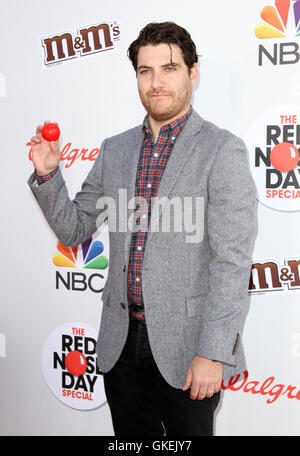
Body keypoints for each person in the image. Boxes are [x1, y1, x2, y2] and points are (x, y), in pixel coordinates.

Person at [28, 22, 257, 436]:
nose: (156, 82)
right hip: (121, 345)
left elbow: (232, 262)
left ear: (193, 72)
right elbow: (75, 229)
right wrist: (48, 176)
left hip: (189, 349)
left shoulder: (222, 150)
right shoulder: (115, 149)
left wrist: (213, 352)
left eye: (169, 68)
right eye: (145, 71)